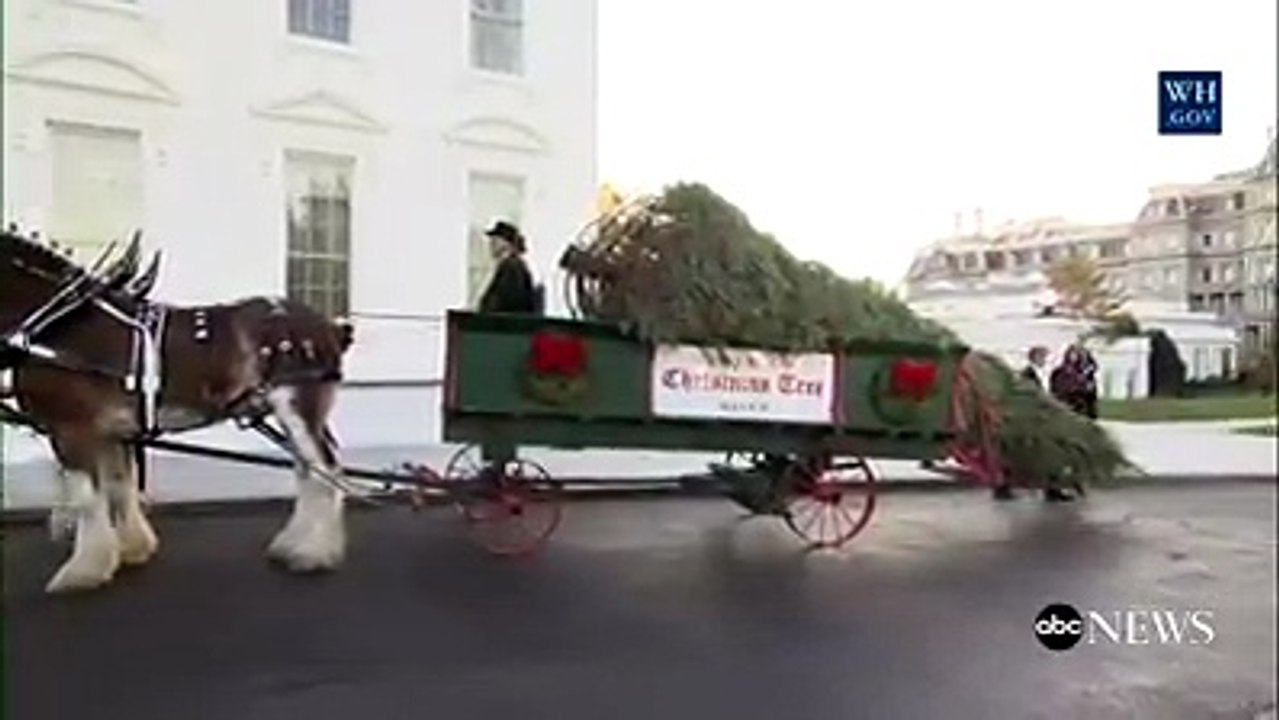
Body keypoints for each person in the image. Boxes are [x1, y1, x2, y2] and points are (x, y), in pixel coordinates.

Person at [477, 220, 539, 314]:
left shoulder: (512, 268)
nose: (491, 244)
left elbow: (506, 301)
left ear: (506, 243)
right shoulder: (511, 266)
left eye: (495, 240)